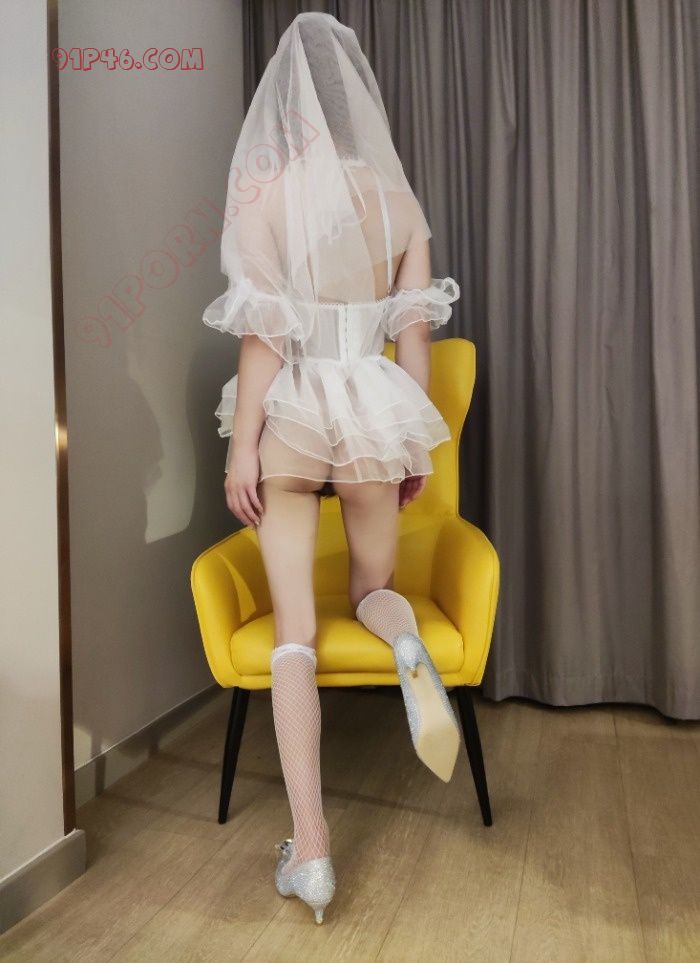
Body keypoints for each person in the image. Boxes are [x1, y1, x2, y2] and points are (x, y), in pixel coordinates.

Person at [202, 11, 461, 925]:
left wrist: (242, 446)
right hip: (373, 409)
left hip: (295, 414)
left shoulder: (267, 195)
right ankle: (405, 645)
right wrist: (413, 441)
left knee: (295, 635)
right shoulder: (397, 201)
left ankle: (310, 851)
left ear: (287, 102)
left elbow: (266, 336)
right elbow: (414, 334)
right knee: (373, 589)